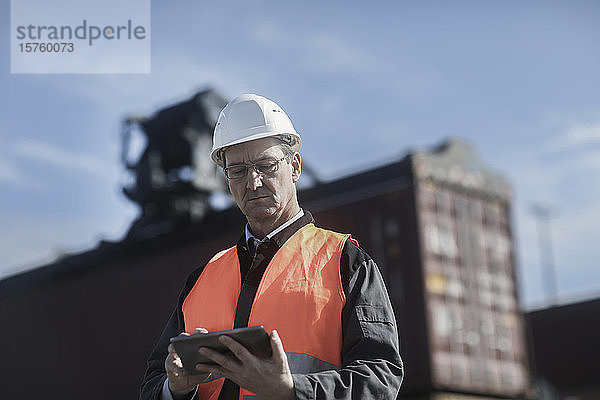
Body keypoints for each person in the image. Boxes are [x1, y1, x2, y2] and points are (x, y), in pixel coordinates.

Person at [140, 94, 403, 400]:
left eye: (266, 165)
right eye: (237, 171)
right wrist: (176, 389)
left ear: (294, 166)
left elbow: (380, 380)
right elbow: (151, 386)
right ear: (225, 179)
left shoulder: (345, 262)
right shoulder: (202, 280)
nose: (253, 182)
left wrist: (292, 391)